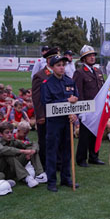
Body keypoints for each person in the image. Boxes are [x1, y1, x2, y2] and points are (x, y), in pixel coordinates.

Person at [42, 54, 79, 191]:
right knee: (52, 151)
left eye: (63, 65)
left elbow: (76, 98)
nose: (62, 67)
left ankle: (66, 178)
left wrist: (75, 114)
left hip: (67, 121)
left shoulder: (70, 81)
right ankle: (51, 181)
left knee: (67, 151)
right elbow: (47, 103)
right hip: (54, 122)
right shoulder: (47, 84)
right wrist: (66, 102)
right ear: (52, 67)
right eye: (58, 65)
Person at [74, 45, 105, 167]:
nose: (92, 58)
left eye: (93, 55)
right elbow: (78, 92)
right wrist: (81, 110)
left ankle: (94, 156)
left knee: (96, 134)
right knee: (84, 135)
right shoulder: (80, 73)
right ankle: (81, 159)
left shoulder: (98, 71)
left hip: (98, 108)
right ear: (83, 59)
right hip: (86, 108)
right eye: (89, 56)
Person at [31, 47, 59, 167]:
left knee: (57, 139)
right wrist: (40, 115)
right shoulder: (40, 75)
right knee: (45, 140)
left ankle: (57, 162)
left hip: (57, 113)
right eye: (55, 59)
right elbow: (36, 98)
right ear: (48, 60)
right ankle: (44, 163)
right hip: (45, 114)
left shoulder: (59, 74)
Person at [0, 122, 42, 188]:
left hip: (13, 169)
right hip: (1, 171)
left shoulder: (13, 140)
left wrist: (33, 151)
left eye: (11, 132)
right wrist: (23, 151)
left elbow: (32, 143)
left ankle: (40, 174)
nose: (10, 134)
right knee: (8, 154)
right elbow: (6, 150)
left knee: (31, 149)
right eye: (7, 132)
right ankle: (26, 177)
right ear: (1, 134)